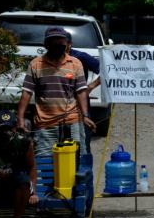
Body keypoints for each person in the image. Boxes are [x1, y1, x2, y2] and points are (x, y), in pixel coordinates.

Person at [17, 27, 96, 156]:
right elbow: (26, 92)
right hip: (45, 124)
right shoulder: (36, 64)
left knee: (75, 162)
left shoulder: (75, 63)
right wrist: (20, 118)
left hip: (72, 122)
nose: (58, 45)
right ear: (46, 44)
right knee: (45, 164)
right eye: (54, 42)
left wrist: (85, 116)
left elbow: (81, 92)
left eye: (61, 42)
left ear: (67, 44)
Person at [65, 31, 101, 154]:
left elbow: (107, 70)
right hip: (57, 110)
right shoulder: (48, 59)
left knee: (82, 146)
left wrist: (90, 86)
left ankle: (84, 171)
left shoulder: (80, 57)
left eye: (63, 44)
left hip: (80, 108)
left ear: (70, 44)